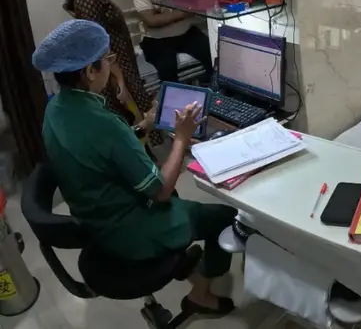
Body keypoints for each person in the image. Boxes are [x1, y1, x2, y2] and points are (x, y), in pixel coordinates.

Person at [36, 20, 236, 316]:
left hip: (93, 218)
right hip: (129, 230)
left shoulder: (55, 108)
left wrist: (143, 126)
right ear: (89, 71)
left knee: (177, 198)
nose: (111, 65)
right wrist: (181, 138)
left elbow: (100, 150)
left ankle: (183, 260)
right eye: (107, 59)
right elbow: (161, 191)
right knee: (226, 216)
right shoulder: (103, 123)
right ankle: (201, 295)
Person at [65, 0, 150, 127]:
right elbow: (98, 43)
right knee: (135, 116)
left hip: (119, 65)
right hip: (113, 70)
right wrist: (119, 79)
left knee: (139, 113)